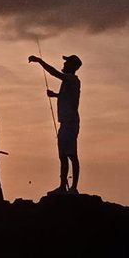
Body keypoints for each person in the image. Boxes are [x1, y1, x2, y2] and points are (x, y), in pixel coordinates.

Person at [28, 54, 82, 194]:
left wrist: (40, 61)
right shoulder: (69, 81)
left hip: (70, 123)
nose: (64, 64)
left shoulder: (71, 79)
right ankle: (62, 187)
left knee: (72, 155)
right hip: (65, 124)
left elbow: (54, 72)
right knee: (63, 156)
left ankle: (74, 188)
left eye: (67, 62)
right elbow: (68, 97)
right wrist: (55, 95)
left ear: (72, 66)